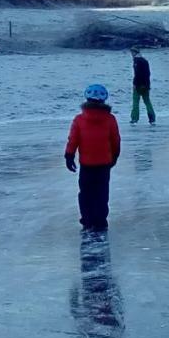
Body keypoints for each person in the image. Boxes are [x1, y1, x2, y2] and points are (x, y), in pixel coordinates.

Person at [65, 84, 121, 231]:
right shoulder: (110, 119)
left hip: (87, 164)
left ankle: (87, 219)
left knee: (86, 193)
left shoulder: (79, 119)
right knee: (102, 193)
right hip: (104, 164)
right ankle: (100, 220)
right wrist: (115, 156)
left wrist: (69, 155)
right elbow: (115, 140)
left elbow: (73, 139)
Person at [130, 47, 155, 124]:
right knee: (147, 102)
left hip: (138, 85)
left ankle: (134, 118)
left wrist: (135, 83)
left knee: (135, 102)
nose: (131, 54)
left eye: (132, 52)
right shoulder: (145, 60)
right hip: (146, 85)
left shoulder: (136, 61)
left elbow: (137, 74)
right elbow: (148, 74)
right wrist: (147, 84)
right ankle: (152, 118)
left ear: (134, 52)